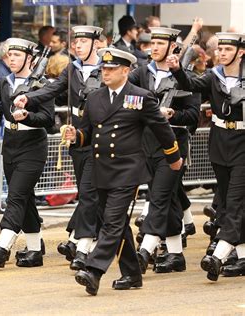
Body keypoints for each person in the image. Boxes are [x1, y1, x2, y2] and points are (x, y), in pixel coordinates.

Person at [63, 47, 182, 296]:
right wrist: (76, 137)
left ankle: (94, 270)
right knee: (114, 224)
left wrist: (173, 156)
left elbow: (161, 128)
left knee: (114, 221)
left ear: (126, 71)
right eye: (104, 68)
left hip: (128, 169)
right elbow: (88, 134)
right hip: (101, 168)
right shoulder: (94, 98)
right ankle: (132, 273)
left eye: (111, 69)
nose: (105, 72)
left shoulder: (140, 97)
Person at [14, 26, 104, 270]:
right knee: (93, 196)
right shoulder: (73, 68)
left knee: (88, 193)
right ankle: (98, 240)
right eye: (76, 41)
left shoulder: (108, 68)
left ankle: (82, 247)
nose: (78, 45)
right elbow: (52, 89)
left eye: (84, 41)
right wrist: (29, 98)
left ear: (97, 44)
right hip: (77, 139)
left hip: (102, 141)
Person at [0, 38, 55, 268]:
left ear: (29, 59)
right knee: (24, 198)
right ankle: (34, 251)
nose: (11, 60)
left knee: (15, 195)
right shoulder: (6, 82)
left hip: (33, 145)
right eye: (9, 56)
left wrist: (28, 117)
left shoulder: (42, 84)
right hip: (11, 144)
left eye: (16, 56)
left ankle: (3, 245)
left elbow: (48, 119)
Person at [167, 32, 245, 281]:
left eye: (226, 49)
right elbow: (190, 85)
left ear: (240, 52)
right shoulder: (215, 75)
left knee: (235, 201)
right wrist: (178, 69)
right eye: (219, 49)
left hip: (244, 142)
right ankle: (243, 257)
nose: (220, 53)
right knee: (226, 200)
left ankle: (219, 255)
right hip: (220, 142)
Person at [128, 27, 200, 274]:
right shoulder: (142, 73)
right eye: (152, 43)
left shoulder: (186, 76)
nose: (154, 47)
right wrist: (148, 109)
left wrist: (172, 114)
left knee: (158, 198)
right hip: (147, 143)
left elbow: (193, 115)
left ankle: (145, 251)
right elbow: (128, 98)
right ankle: (176, 255)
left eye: (160, 43)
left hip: (174, 144)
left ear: (174, 48)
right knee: (168, 200)